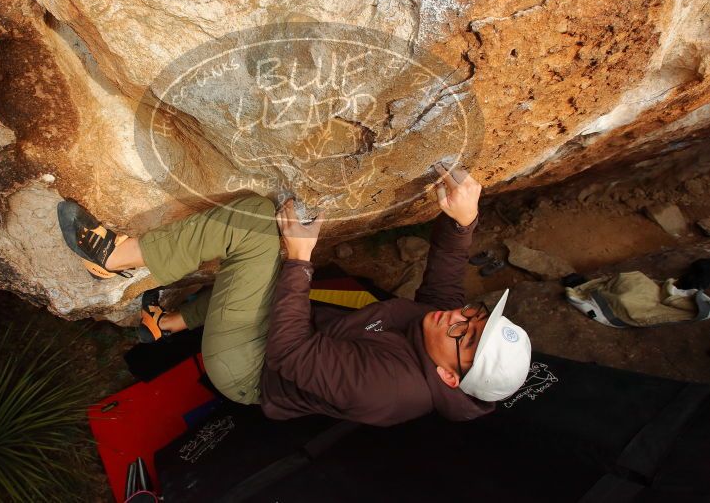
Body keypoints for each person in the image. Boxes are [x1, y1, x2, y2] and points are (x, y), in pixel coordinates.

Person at [57, 164, 531, 426]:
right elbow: (445, 285)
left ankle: (116, 257)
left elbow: (288, 351)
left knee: (257, 224)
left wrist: (300, 258)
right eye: (476, 316)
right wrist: (463, 220)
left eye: (466, 338)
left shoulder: (390, 391)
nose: (458, 317)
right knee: (266, 279)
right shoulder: (440, 330)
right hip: (291, 338)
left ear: (450, 377)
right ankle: (166, 324)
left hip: (252, 365)